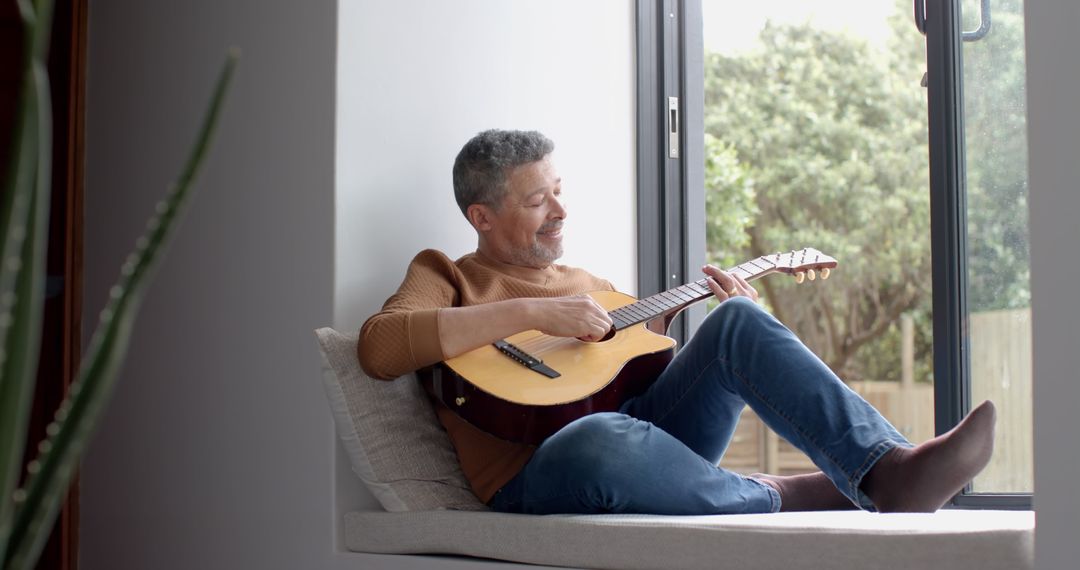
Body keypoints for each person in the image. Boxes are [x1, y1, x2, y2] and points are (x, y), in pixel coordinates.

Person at [358, 129, 996, 515]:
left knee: (739, 322)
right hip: (544, 473)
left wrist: (712, 322)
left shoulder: (593, 289)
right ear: (482, 216)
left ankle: (890, 471)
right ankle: (788, 493)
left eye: (559, 188)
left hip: (638, 435)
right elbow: (379, 348)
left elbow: (638, 380)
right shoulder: (445, 273)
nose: (560, 209)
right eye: (536, 199)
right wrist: (535, 310)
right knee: (597, 438)